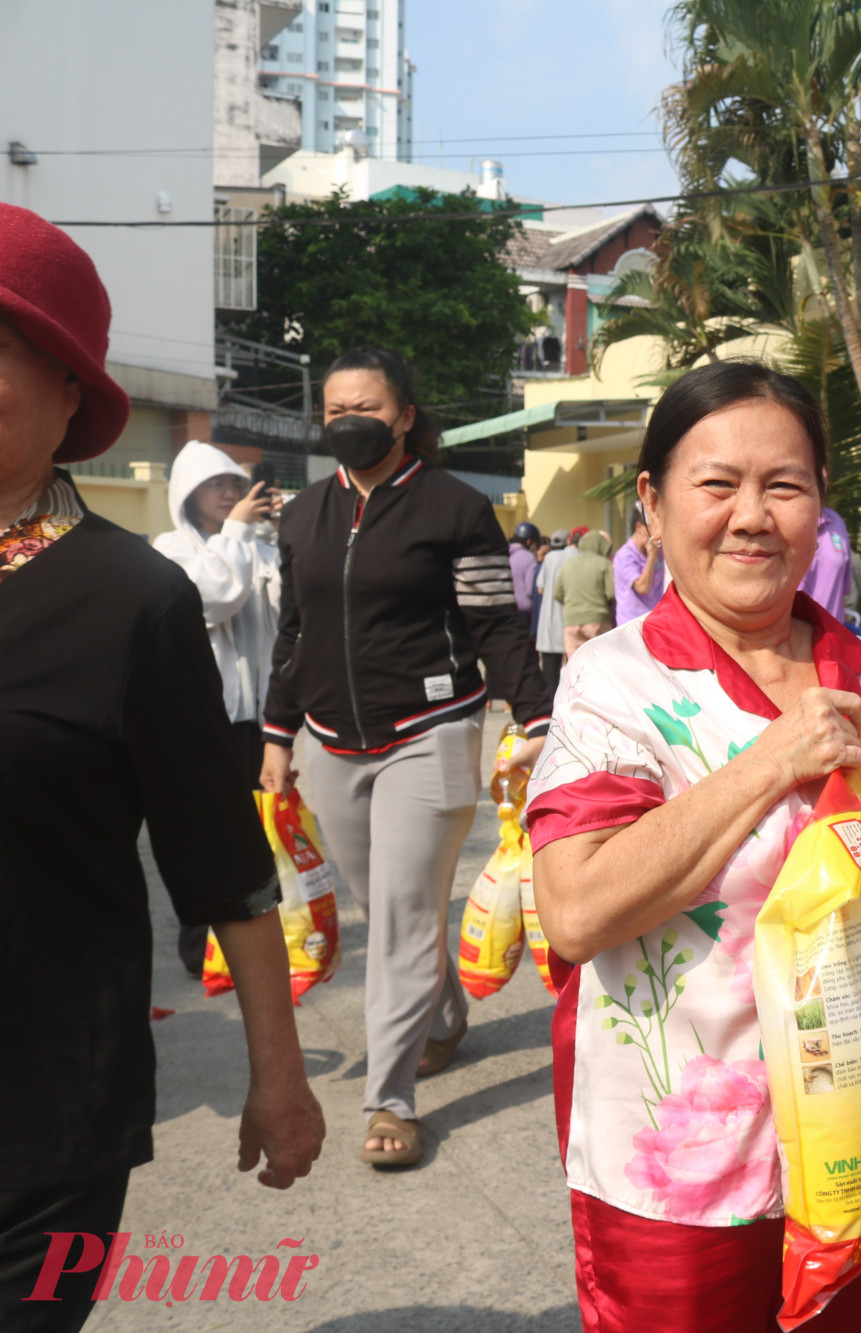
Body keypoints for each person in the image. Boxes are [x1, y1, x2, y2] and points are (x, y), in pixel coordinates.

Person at [525, 360, 861, 1332]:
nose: (751, 515)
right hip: (681, 1173)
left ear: (819, 507)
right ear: (651, 508)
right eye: (716, 484)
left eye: (782, 485)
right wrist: (767, 762)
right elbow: (575, 910)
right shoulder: (612, 684)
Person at [0, 203, 324, 1332]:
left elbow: (221, 863)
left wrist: (277, 1075)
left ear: (70, 392)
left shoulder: (132, 599)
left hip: (49, 1123)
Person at [260, 346, 554, 1170]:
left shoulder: (457, 509)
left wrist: (534, 715)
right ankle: (441, 1009)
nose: (348, 423)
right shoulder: (302, 515)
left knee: (398, 911)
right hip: (330, 737)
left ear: (405, 417)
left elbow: (497, 624)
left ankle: (390, 1099)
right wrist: (277, 734)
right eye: (333, 412)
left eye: (366, 408)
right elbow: (295, 632)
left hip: (431, 728)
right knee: (388, 902)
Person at [154, 441, 285, 978]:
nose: (230, 494)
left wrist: (265, 536)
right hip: (205, 721)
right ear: (187, 496)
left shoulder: (255, 543)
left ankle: (271, 943)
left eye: (235, 484)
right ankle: (200, 953)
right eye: (216, 485)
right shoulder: (169, 549)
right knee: (208, 839)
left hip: (258, 721)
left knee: (267, 836)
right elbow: (215, 596)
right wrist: (236, 532)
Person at [554, 528, 616, 657]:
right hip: (597, 621)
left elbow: (557, 593)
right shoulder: (604, 564)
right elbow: (611, 593)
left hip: (571, 622)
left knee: (576, 667)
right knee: (600, 664)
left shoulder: (567, 564)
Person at [613, 502, 666, 625]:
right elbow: (642, 588)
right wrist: (652, 557)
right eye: (653, 528)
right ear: (639, 527)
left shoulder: (657, 551)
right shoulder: (625, 556)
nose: (658, 535)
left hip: (655, 622)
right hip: (632, 627)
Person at [799, 505, 853, 619]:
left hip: (833, 632)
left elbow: (841, 592)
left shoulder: (836, 521)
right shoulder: (778, 522)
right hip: (792, 633)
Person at [537, 529, 573, 690]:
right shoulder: (572, 556)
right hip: (567, 614)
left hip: (548, 616)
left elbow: (540, 588)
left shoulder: (548, 558)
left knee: (549, 669)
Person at [511, 521, 542, 628]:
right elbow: (530, 590)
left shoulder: (504, 554)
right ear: (529, 541)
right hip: (523, 614)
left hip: (505, 610)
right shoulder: (528, 558)